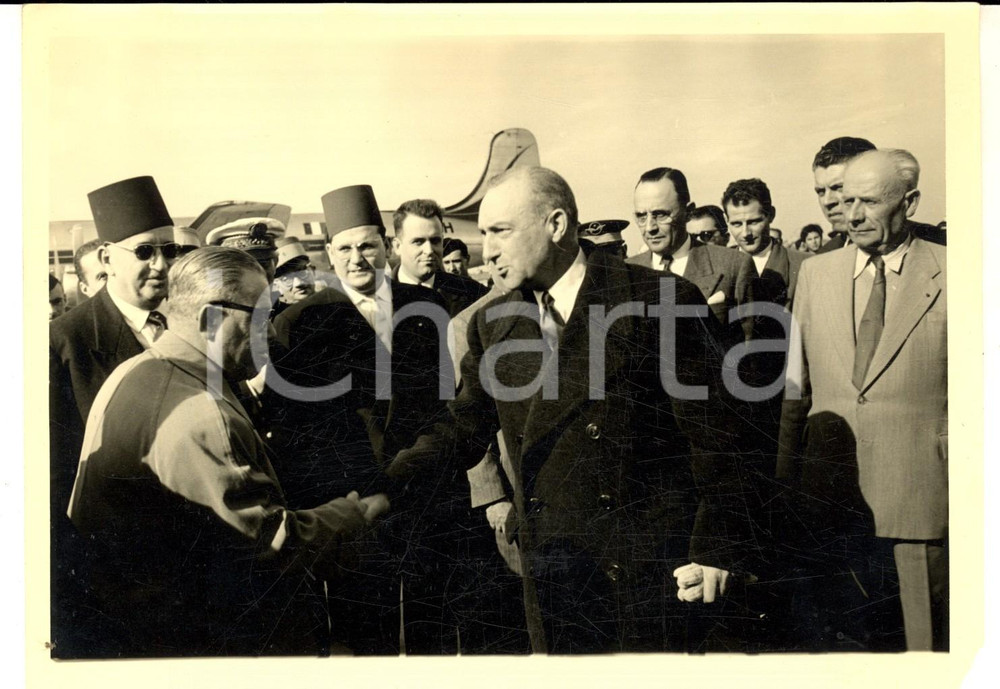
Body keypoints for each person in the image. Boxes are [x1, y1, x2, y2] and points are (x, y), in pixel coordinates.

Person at [389, 166, 755, 654]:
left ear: (556, 225)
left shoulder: (659, 301)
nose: (488, 249)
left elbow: (718, 437)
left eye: (500, 231)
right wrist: (383, 485)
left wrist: (715, 546)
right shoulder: (494, 323)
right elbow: (464, 425)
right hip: (556, 567)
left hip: (645, 569)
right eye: (484, 234)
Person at [66, 246, 387, 657]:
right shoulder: (202, 413)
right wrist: (354, 514)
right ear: (211, 319)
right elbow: (272, 549)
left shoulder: (133, 372)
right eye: (260, 317)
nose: (271, 334)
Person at [265, 184, 453, 654]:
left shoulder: (427, 307)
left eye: (367, 245)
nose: (357, 258)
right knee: (367, 634)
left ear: (387, 247)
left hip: (421, 489)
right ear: (329, 253)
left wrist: (411, 470)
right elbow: (298, 426)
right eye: (344, 248)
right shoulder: (300, 321)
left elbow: (447, 401)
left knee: (434, 626)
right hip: (351, 503)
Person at [777, 149, 948, 652]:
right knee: (844, 649)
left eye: (869, 202)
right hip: (830, 503)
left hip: (922, 501)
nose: (851, 215)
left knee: (926, 651)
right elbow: (795, 391)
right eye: (846, 200)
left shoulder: (960, 272)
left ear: (910, 202)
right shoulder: (816, 274)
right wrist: (787, 484)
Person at [49, 175, 181, 658]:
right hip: (115, 570)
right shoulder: (66, 342)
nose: (161, 265)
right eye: (145, 252)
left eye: (169, 250)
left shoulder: (187, 325)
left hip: (192, 559)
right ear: (107, 259)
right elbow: (57, 477)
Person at [627, 167, 754, 349]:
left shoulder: (733, 265)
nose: (649, 227)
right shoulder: (626, 271)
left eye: (660, 214)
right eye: (641, 216)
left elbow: (751, 352)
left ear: (688, 212)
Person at [391, 198, 489, 317]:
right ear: (397, 246)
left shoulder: (474, 294)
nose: (429, 250)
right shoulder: (375, 299)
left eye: (435, 241)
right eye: (418, 242)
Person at [812, 136, 877, 254]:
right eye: (821, 191)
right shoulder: (824, 256)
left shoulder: (919, 245)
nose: (827, 201)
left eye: (839, 188)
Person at [272, 236, 316, 319]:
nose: (299, 283)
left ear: (313, 271)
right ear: (275, 285)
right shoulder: (276, 321)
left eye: (302, 273)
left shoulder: (336, 307)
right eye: (286, 278)